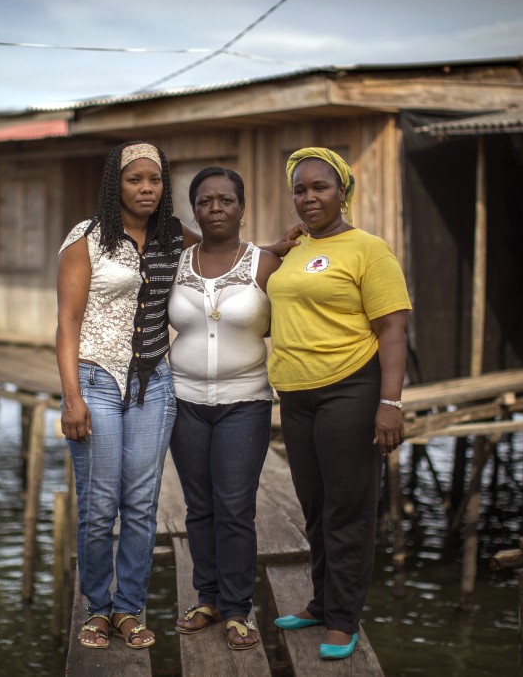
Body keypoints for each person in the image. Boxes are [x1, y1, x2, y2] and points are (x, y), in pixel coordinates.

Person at [267, 147, 411, 660]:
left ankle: (343, 620)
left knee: (347, 509)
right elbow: (264, 281)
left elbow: (392, 328)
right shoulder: (294, 248)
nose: (308, 197)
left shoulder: (369, 250)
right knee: (314, 505)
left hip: (350, 389)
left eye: (320, 187)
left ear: (343, 191)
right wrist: (274, 248)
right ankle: (321, 602)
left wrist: (390, 402)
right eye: (300, 189)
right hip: (297, 396)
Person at [56, 141, 200, 651]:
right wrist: (71, 397)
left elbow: (224, 253)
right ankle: (97, 607)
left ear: (165, 184)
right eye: (135, 179)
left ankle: (129, 609)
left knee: (140, 505)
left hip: (154, 383)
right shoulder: (89, 238)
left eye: (154, 180)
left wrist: (277, 248)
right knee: (99, 507)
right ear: (115, 183)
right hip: (94, 380)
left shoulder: (175, 236)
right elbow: (67, 324)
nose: (146, 189)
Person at [167, 167, 280, 651]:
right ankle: (207, 598)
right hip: (183, 401)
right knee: (199, 507)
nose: (216, 208)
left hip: (245, 402)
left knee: (234, 507)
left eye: (226, 200)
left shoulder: (266, 263)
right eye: (206, 201)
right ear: (194, 209)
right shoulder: (176, 261)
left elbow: (290, 326)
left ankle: (238, 609)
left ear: (241, 206)